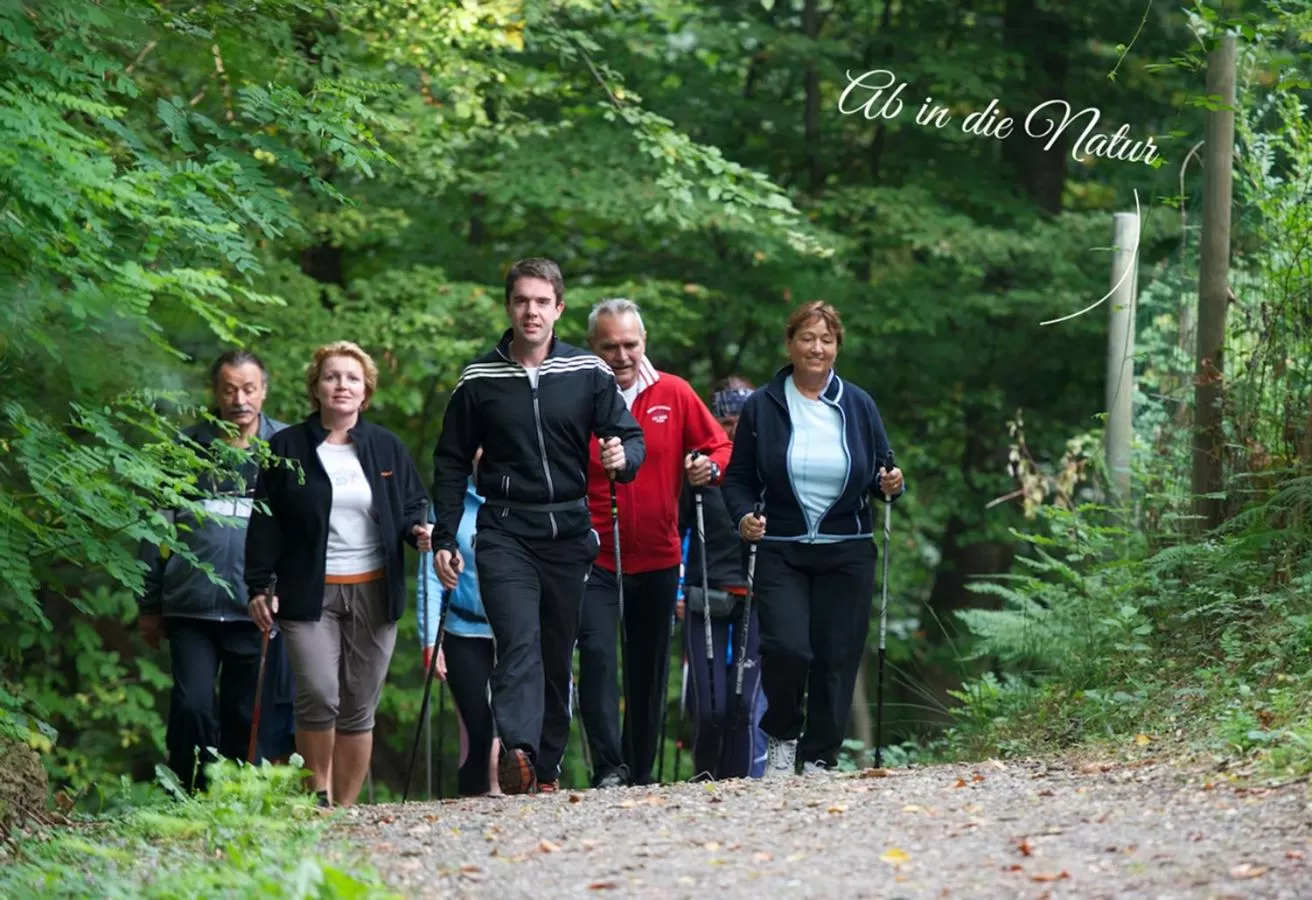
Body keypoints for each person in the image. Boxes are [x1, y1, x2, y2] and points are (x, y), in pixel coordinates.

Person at [430, 258, 645, 796]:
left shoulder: (587, 373)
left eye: (542, 302)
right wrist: (443, 537)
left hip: (569, 531)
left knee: (556, 650)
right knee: (517, 638)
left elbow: (629, 435)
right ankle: (519, 751)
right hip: (504, 531)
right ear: (509, 306)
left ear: (559, 309)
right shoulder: (479, 379)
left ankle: (543, 768)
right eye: (522, 300)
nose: (532, 311)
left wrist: (624, 458)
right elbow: (451, 461)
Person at [245, 341, 432, 807]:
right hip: (309, 592)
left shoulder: (386, 446)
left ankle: (345, 813)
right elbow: (264, 519)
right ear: (317, 387)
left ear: (365, 391)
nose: (342, 385)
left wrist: (421, 532)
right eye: (332, 377)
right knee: (320, 695)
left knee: (358, 705)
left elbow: (411, 506)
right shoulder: (285, 447)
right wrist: (257, 586)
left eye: (352, 378)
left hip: (375, 590)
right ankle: (317, 796)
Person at [723, 302, 906, 778]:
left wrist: (892, 484)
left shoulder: (858, 404)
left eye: (826, 340)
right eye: (807, 338)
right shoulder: (763, 404)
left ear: (837, 348)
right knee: (788, 649)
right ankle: (783, 737)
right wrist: (743, 516)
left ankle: (820, 756)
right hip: (780, 545)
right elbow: (738, 478)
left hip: (847, 549)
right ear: (790, 344)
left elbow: (882, 470)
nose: (816, 348)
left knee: (836, 655)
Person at [576, 298, 732, 788]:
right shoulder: (576, 395)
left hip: (659, 556)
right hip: (595, 555)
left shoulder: (674, 393)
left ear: (644, 343)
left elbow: (719, 446)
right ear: (592, 348)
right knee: (600, 659)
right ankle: (608, 768)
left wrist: (708, 468)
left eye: (630, 344)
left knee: (647, 671)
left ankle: (640, 771)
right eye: (609, 347)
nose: (621, 356)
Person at [136, 350, 295, 793]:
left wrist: (287, 592)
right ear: (215, 392)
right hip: (191, 608)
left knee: (246, 715)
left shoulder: (285, 447)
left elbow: (303, 530)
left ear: (264, 390)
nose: (239, 399)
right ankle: (190, 792)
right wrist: (148, 605)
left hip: (257, 610)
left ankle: (237, 797)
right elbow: (153, 532)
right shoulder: (184, 451)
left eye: (248, 388)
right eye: (229, 389)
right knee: (192, 706)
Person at [677, 376, 767, 781]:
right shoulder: (695, 475)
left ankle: (740, 790)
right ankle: (704, 784)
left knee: (743, 707)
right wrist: (675, 590)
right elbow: (673, 533)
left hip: (756, 597)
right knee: (710, 706)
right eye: (724, 422)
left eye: (740, 422)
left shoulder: (769, 471)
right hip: (704, 598)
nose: (733, 431)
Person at [419, 448, 501, 797]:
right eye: (477, 444)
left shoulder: (526, 494)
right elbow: (430, 577)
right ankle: (473, 802)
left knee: (513, 724)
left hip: (513, 630)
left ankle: (510, 800)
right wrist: (428, 640)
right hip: (462, 628)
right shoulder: (451, 501)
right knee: (478, 724)